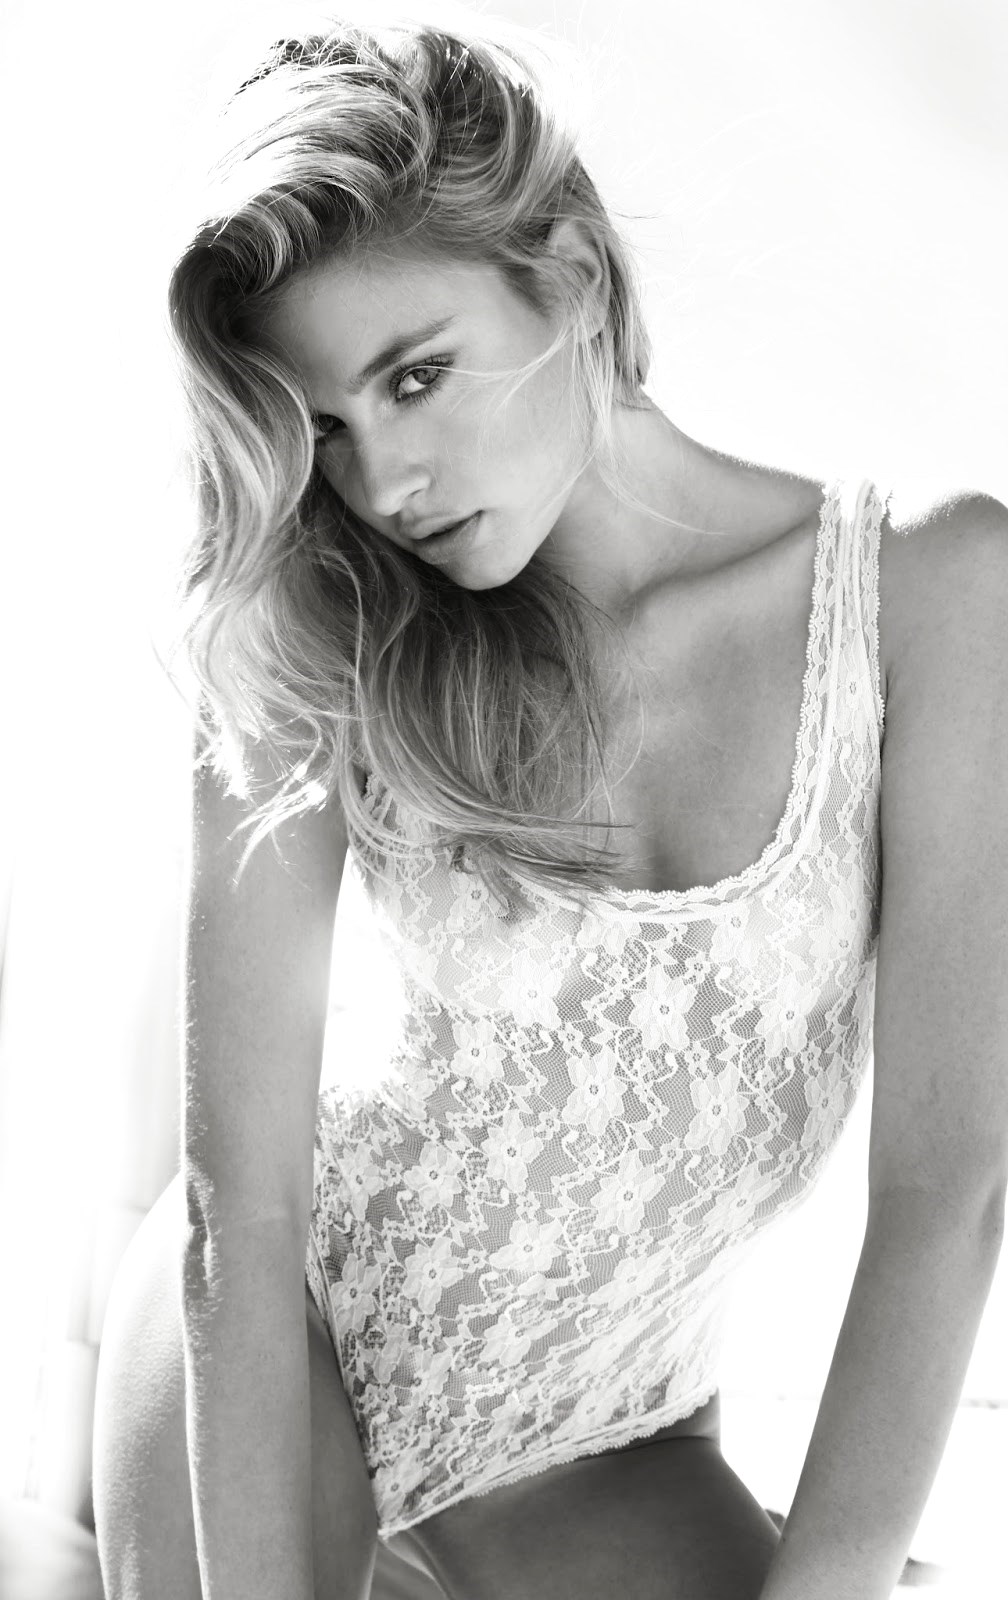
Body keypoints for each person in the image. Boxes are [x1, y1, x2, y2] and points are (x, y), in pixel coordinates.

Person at [92, 9, 1008, 1600]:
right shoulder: (318, 629)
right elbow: (244, 1205)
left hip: (607, 1436)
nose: (383, 484)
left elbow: (948, 1189)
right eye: (326, 428)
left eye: (417, 375)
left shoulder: (937, 595)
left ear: (572, 277)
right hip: (281, 1347)